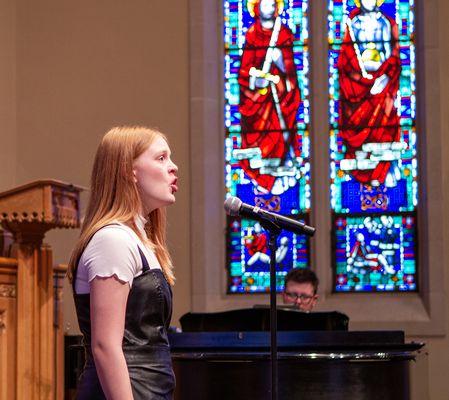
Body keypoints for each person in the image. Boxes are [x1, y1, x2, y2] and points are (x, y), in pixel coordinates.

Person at [67, 126, 179, 399]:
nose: (174, 167)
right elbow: (105, 346)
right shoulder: (112, 240)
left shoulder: (140, 241)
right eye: (161, 158)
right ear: (130, 171)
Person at [237, 0, 301, 195]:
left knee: (281, 133)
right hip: (259, 99)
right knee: (260, 135)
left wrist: (279, 61)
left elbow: (290, 73)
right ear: (256, 7)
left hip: (279, 95)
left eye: (273, 4)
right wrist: (256, 80)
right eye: (265, 4)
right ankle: (261, 172)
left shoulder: (283, 34)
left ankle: (284, 168)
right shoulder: (251, 34)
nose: (269, 8)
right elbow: (244, 72)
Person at [337, 0, 401, 187]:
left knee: (384, 123)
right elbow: (345, 58)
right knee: (356, 122)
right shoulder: (354, 24)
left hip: (381, 84)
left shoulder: (385, 23)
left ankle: (385, 167)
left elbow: (392, 57)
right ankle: (359, 166)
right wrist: (358, 74)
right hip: (358, 83)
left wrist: (384, 78)